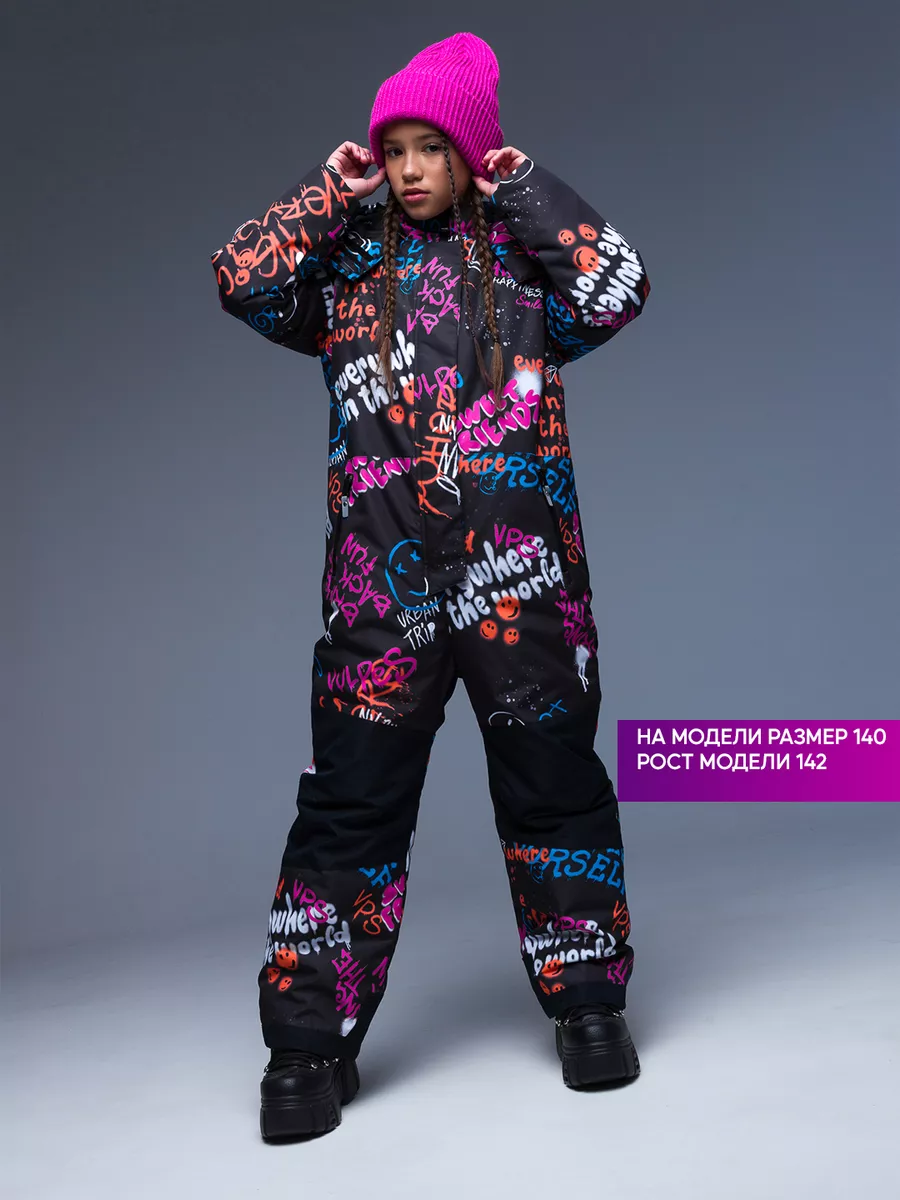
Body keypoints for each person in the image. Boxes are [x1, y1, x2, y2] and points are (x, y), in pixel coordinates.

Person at [210, 30, 651, 1141]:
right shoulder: (348, 270)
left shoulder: (525, 267)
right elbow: (241, 280)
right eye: (392, 149)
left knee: (554, 788)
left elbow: (620, 286)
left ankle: (590, 1008)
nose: (408, 169)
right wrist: (328, 193)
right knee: (349, 808)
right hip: (380, 599)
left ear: (470, 152)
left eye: (432, 148)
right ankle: (306, 1051)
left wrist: (524, 184)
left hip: (525, 587)